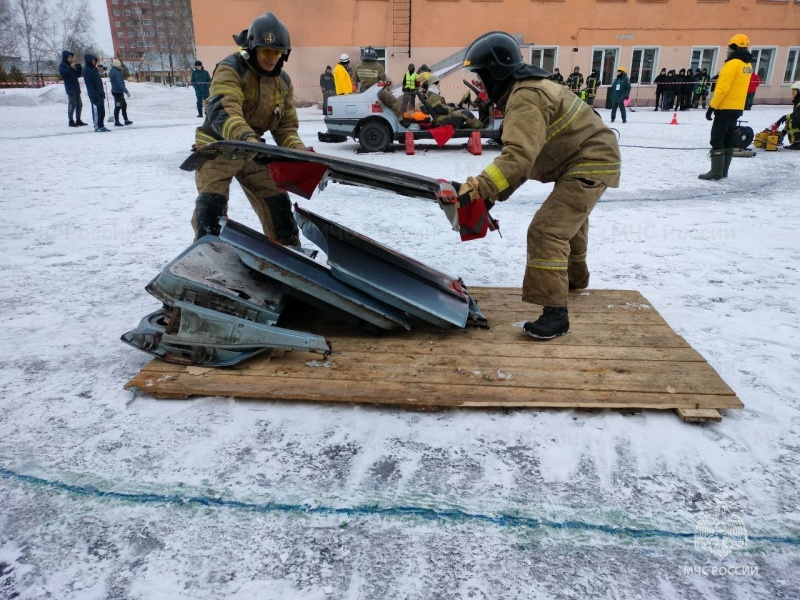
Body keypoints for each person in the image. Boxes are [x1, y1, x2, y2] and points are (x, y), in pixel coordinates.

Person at [454, 31, 620, 339]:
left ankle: (555, 314)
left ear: (496, 73)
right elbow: (525, 162)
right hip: (591, 158)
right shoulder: (528, 90)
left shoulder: (525, 97)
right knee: (570, 225)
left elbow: (518, 157)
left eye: (481, 76)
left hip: (589, 161)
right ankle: (575, 279)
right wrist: (491, 196)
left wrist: (478, 189)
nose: (480, 84)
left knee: (547, 231)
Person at [191, 12, 306, 245]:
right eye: (266, 51)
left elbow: (286, 127)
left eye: (277, 52)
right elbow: (225, 109)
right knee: (211, 214)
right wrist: (246, 139)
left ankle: (288, 260)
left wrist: (300, 155)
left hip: (254, 150)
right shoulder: (231, 68)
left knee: (280, 211)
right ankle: (207, 259)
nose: (272, 58)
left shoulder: (282, 81)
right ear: (252, 48)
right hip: (218, 149)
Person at [699, 33, 753, 180]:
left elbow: (722, 88)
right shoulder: (747, 64)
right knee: (729, 138)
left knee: (717, 138)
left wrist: (712, 106)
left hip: (725, 107)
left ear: (734, 47)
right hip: (737, 108)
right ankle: (723, 171)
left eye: (729, 47)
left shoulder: (732, 64)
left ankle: (716, 172)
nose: (727, 50)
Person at [58, 50, 87, 127]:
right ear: (66, 57)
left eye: (72, 57)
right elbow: (63, 73)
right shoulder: (63, 65)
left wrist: (78, 67)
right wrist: (70, 67)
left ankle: (78, 119)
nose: (71, 58)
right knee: (72, 104)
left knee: (79, 104)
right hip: (70, 88)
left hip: (76, 87)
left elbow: (77, 74)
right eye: (70, 57)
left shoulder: (72, 65)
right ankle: (71, 120)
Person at [83, 54, 109, 132]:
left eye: (95, 60)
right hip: (94, 94)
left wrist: (102, 92)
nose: (94, 62)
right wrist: (93, 95)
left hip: (99, 93)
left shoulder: (94, 70)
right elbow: (90, 84)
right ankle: (97, 125)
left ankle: (101, 125)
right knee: (96, 111)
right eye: (93, 60)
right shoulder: (87, 70)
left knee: (102, 111)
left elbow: (98, 83)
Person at [773, 81, 800, 150]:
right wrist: (782, 133)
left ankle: (798, 144)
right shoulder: (797, 101)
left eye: (794, 91)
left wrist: (783, 117)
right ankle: (782, 136)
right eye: (792, 91)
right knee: (790, 120)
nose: (792, 93)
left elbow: (796, 116)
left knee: (793, 122)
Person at [109, 59, 132, 126]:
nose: (120, 66)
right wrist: (126, 92)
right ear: (117, 65)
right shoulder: (117, 73)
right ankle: (117, 121)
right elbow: (120, 84)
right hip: (118, 92)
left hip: (115, 91)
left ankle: (126, 120)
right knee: (118, 106)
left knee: (123, 105)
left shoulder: (112, 71)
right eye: (119, 65)